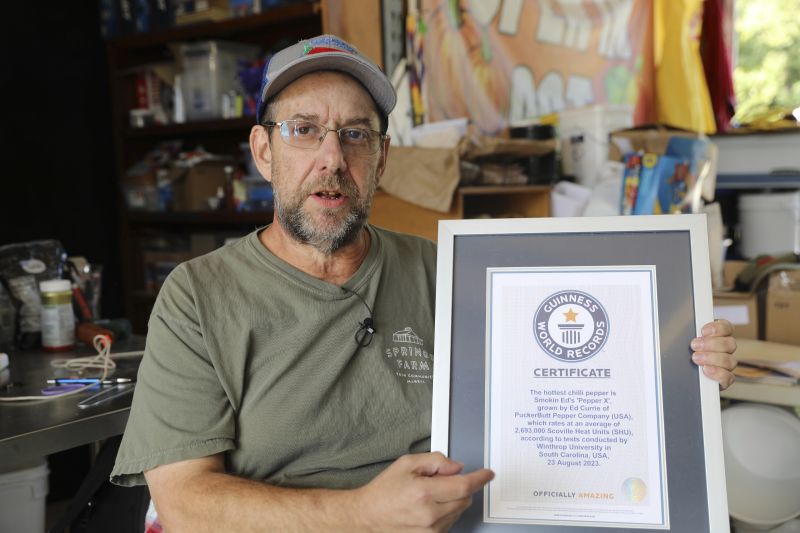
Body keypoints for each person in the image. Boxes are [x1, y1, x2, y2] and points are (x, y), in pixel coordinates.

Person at [111, 34, 738, 532]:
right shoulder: (198, 295)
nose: (333, 158)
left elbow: (571, 364)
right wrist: (363, 517)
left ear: (381, 159)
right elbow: (187, 504)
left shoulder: (452, 272)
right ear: (262, 150)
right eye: (303, 130)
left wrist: (679, 365)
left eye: (356, 134)